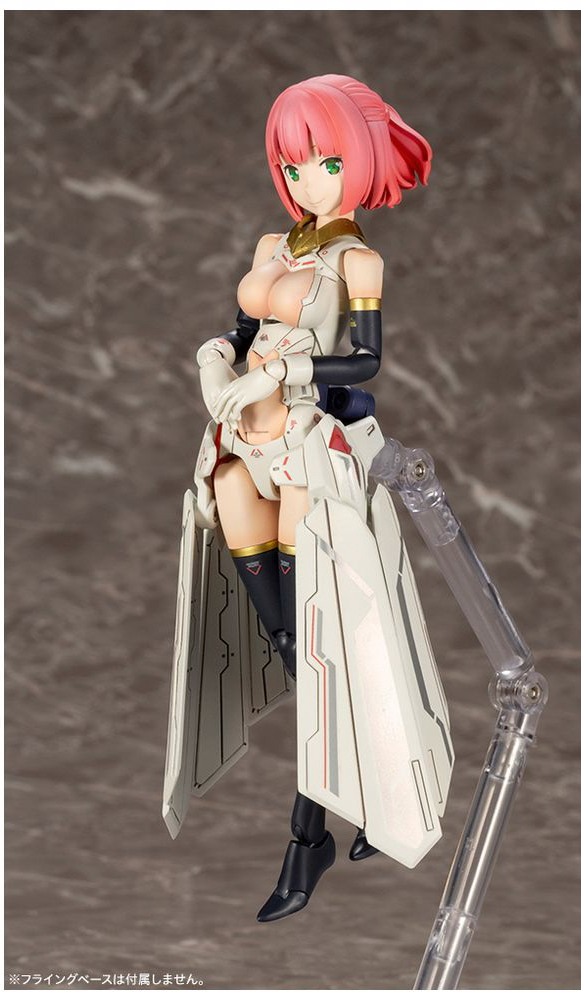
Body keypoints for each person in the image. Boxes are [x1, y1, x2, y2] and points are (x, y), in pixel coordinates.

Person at [164, 75, 453, 922]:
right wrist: (217, 355)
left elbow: (365, 361)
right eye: (293, 165)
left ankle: (307, 836)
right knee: (295, 645)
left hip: (304, 451)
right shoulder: (271, 246)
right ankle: (361, 791)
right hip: (240, 445)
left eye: (326, 162)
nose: (307, 180)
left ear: (359, 161)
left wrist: (288, 371)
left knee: (318, 652)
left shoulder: (358, 261)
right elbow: (243, 330)